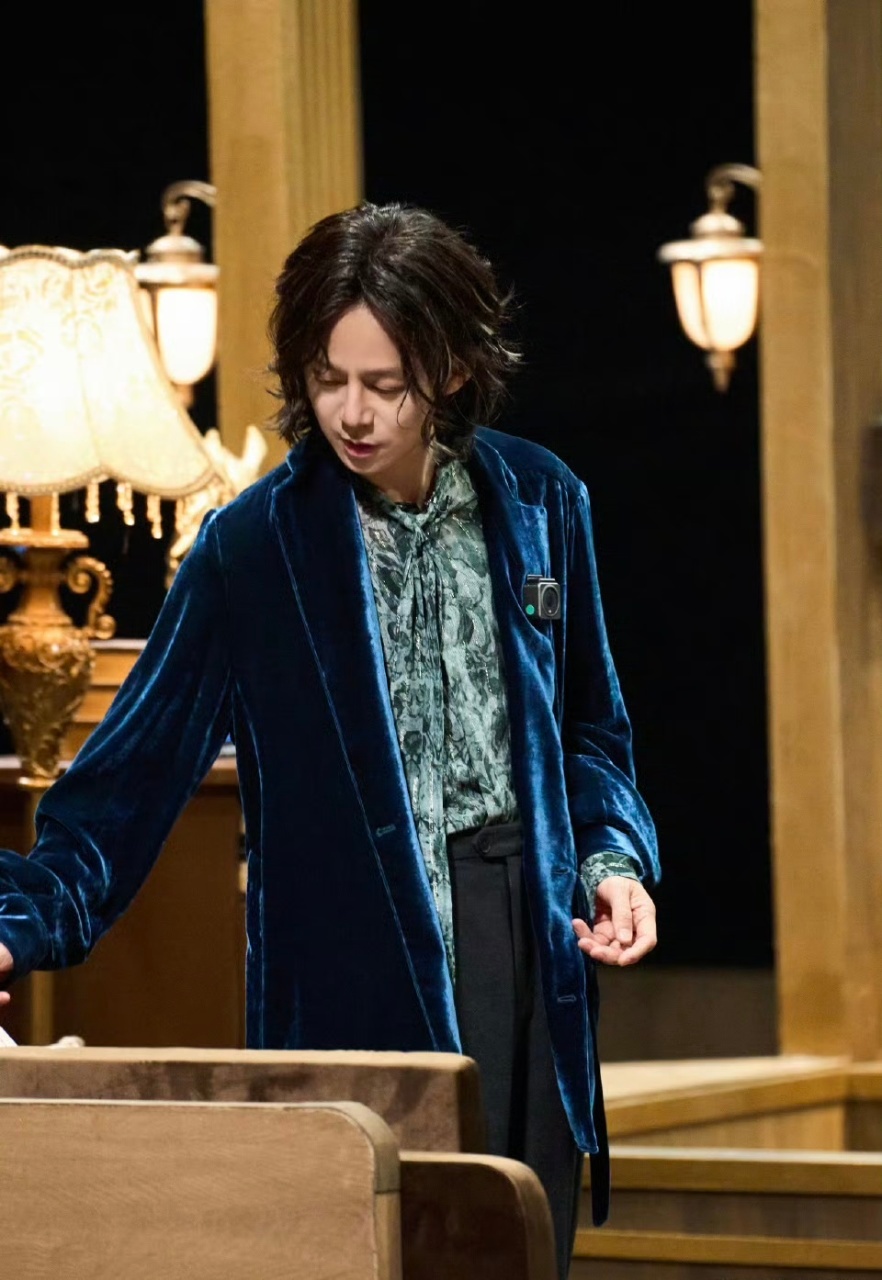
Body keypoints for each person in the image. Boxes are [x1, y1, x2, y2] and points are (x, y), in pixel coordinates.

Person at [0, 201, 659, 1279]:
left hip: (527, 947)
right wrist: (14, 920)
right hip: (350, 975)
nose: (351, 413)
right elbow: (120, 792)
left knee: (519, 1248)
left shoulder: (542, 499)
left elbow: (591, 731)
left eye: (384, 384)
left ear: (452, 369)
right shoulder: (252, 549)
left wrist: (613, 863)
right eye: (326, 378)